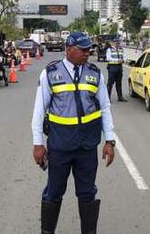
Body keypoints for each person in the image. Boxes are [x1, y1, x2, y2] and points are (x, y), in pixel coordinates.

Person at [31, 32, 116, 234]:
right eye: (83, 49)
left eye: (89, 49)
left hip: (86, 147)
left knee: (87, 194)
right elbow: (39, 110)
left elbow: (105, 108)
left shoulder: (95, 73)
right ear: (69, 49)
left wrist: (110, 141)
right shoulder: (50, 73)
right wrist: (38, 143)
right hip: (60, 146)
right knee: (54, 192)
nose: (87, 53)